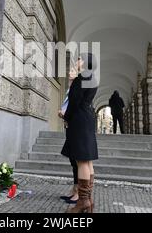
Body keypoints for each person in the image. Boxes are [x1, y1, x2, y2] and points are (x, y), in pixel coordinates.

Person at [61, 53, 99, 213]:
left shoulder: (82, 77)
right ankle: (88, 201)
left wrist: (65, 115)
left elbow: (74, 102)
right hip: (87, 119)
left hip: (79, 121)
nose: (76, 61)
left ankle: (83, 202)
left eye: (78, 58)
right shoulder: (92, 78)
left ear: (84, 62)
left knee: (82, 161)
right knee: (88, 162)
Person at [58, 67, 79, 204]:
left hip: (74, 125)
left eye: (72, 70)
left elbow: (75, 106)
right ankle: (74, 190)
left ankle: (78, 193)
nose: (69, 72)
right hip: (69, 124)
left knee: (76, 160)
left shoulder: (77, 88)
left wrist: (64, 114)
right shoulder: (70, 88)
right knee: (72, 160)